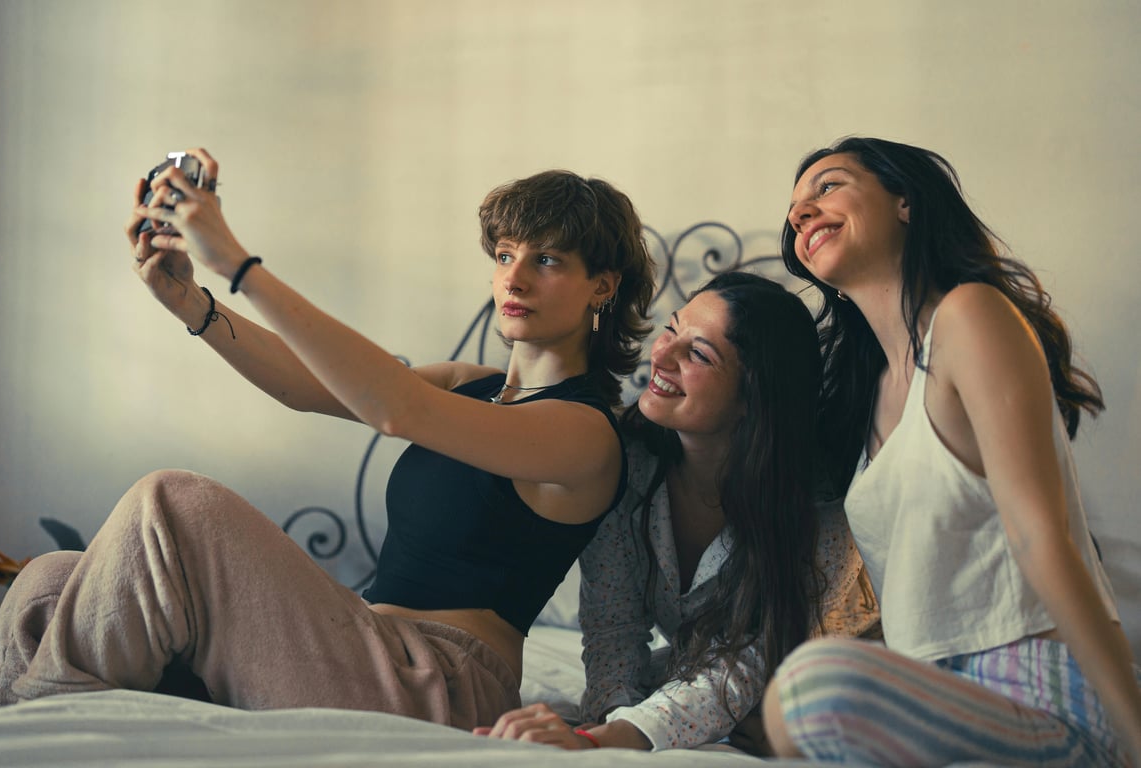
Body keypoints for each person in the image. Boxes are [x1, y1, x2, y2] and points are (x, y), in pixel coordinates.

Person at [0, 149, 657, 732]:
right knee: (47, 583)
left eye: (547, 259)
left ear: (602, 284)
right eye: (506, 254)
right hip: (362, 646)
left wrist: (238, 263)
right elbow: (309, 385)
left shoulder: (585, 431)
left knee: (172, 503)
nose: (514, 276)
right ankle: (27, 737)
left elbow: (394, 408)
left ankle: (33, 737)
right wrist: (194, 304)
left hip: (439, 686)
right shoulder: (470, 385)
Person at [762, 136, 1141, 766]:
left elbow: (1041, 536)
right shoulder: (866, 400)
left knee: (808, 686)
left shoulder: (969, 317)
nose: (801, 212)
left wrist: (1134, 736)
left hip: (1046, 699)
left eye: (826, 186)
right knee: (789, 703)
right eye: (795, 209)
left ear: (905, 202)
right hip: (936, 705)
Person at [477, 271, 879, 752]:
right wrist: (600, 728)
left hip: (828, 685)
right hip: (723, 681)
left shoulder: (817, 507)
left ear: (754, 398)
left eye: (698, 354)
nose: (661, 356)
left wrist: (615, 736)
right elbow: (614, 628)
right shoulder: (625, 461)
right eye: (671, 329)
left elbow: (747, 659)